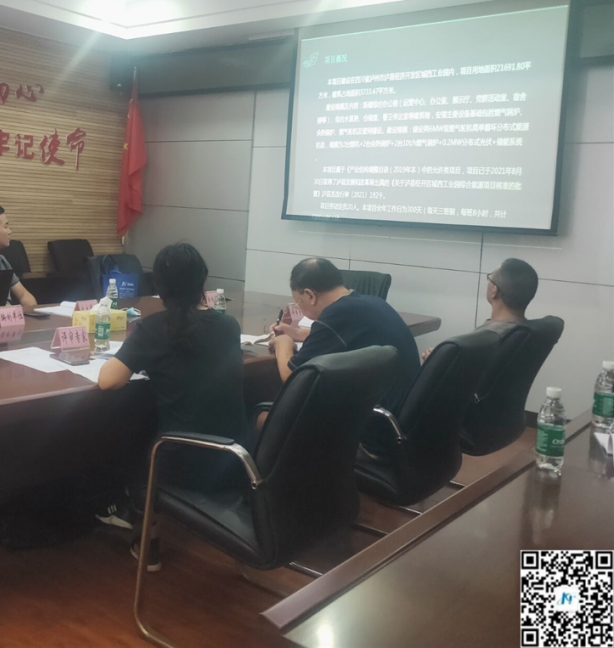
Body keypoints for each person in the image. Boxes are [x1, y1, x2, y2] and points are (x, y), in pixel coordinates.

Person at [98, 244, 248, 570]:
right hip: (234, 456)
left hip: (180, 461)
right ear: (202, 282)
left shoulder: (153, 328)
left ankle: (147, 538)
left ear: (159, 286)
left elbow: (108, 381)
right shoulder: (228, 326)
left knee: (127, 430)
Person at [269, 257, 420, 413]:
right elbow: (347, 334)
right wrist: (297, 333)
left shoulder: (336, 315)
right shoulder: (371, 303)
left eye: (298, 302)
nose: (299, 307)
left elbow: (293, 378)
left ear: (310, 295)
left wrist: (283, 344)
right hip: (402, 411)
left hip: (374, 417)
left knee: (265, 416)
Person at [421, 258, 538, 361]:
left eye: (490, 278)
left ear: (494, 291)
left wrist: (434, 361)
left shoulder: (484, 340)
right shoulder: (528, 332)